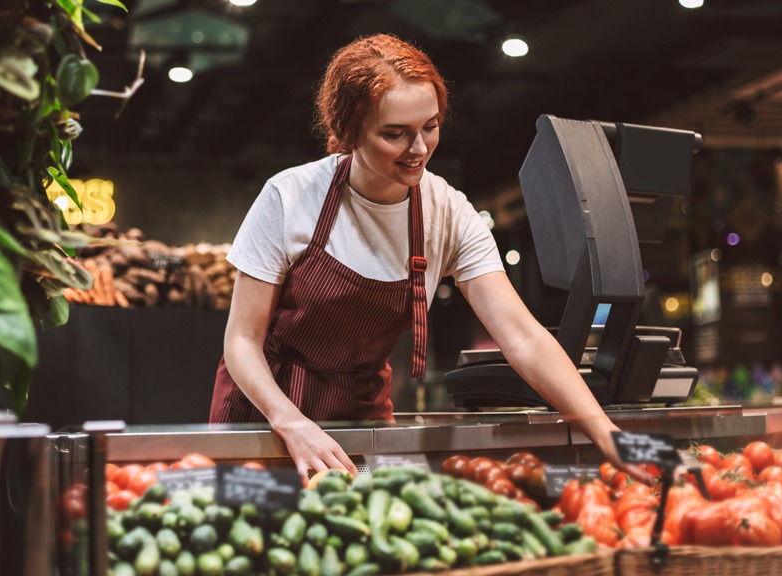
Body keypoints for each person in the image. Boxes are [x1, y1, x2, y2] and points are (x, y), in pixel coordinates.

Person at [211, 33, 651, 485]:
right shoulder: (290, 197)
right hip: (266, 415)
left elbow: (522, 336)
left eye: (430, 126)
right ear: (349, 131)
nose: (418, 148)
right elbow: (242, 340)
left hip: (360, 414)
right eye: (394, 134)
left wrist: (604, 430)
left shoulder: (448, 212)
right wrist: (291, 422)